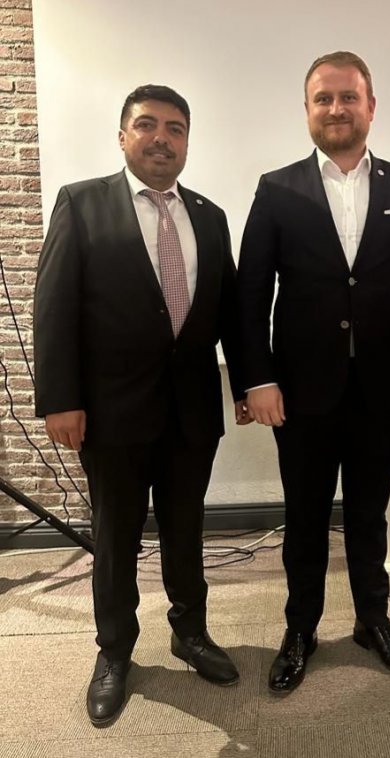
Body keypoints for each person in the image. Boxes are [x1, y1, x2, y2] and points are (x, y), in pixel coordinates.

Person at [33, 85, 250, 726]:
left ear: (187, 141)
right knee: (116, 535)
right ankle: (114, 652)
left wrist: (246, 385)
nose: (162, 138)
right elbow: (55, 307)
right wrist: (60, 399)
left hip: (191, 411)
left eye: (175, 128)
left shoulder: (210, 215)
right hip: (111, 412)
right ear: (122, 136)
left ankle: (191, 632)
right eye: (147, 125)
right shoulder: (82, 203)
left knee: (186, 529)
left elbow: (232, 314)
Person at [237, 51, 390, 693]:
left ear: (370, 107)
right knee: (304, 514)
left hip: (384, 386)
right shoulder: (277, 188)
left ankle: (372, 621)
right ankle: (300, 628)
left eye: (348, 97)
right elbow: (251, 293)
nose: (336, 108)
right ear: (307, 110)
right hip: (301, 390)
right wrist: (256, 378)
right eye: (323, 98)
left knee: (369, 512)